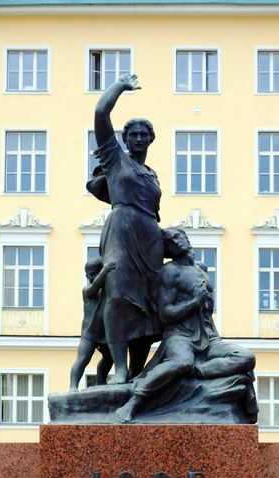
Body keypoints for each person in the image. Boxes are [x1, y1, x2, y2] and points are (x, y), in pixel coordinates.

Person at [115, 228, 257, 423]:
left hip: (209, 337)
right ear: (167, 250)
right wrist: (194, 303)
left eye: (176, 236)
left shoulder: (201, 270)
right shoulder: (170, 271)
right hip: (179, 335)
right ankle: (134, 401)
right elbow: (165, 314)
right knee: (181, 362)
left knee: (246, 357)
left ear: (185, 238)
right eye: (169, 241)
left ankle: (197, 372)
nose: (174, 241)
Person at [86, 73, 163, 385]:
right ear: (125, 139)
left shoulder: (151, 173)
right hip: (121, 229)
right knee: (118, 295)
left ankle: (136, 371)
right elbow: (101, 114)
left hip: (150, 236)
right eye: (133, 134)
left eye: (145, 134)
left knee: (148, 304)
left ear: (151, 139)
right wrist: (120, 86)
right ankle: (119, 367)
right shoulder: (116, 159)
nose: (139, 138)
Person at [69, 257, 115, 392]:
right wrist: (106, 270)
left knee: (109, 358)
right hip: (89, 333)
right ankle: (73, 386)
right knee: (83, 358)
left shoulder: (107, 291)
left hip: (105, 333)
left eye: (97, 272)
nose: (95, 276)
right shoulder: (87, 291)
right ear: (86, 275)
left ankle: (100, 380)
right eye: (92, 274)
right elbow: (95, 286)